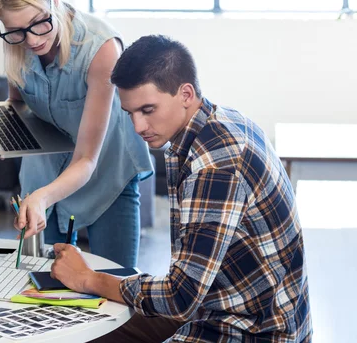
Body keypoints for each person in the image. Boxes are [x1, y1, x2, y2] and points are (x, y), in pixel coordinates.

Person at [50, 35, 312, 342]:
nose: (138, 127)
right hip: (216, 305)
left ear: (185, 93)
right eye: (130, 113)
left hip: (249, 331)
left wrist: (88, 279)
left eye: (147, 110)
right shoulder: (218, 123)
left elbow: (180, 296)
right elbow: (186, 285)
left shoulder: (216, 164)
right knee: (86, 332)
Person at [0, 0, 153, 267]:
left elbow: (87, 159)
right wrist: (1, 131)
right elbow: (19, 102)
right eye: (16, 31)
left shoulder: (101, 48)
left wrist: (42, 197)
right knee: (44, 282)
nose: (32, 40)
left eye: (39, 23)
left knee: (114, 283)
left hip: (106, 171)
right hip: (44, 173)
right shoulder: (15, 37)